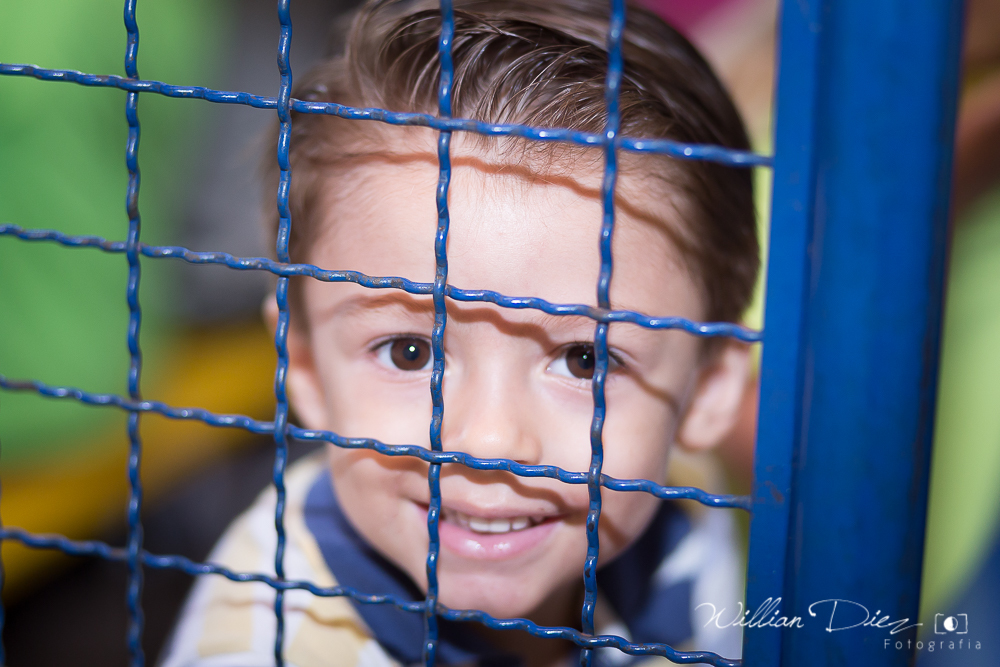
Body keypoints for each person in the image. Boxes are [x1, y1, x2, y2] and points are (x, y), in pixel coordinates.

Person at [161, 0, 758, 664]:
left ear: (706, 389)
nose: (487, 441)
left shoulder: (689, 521)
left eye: (585, 360)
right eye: (409, 351)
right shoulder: (267, 643)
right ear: (301, 366)